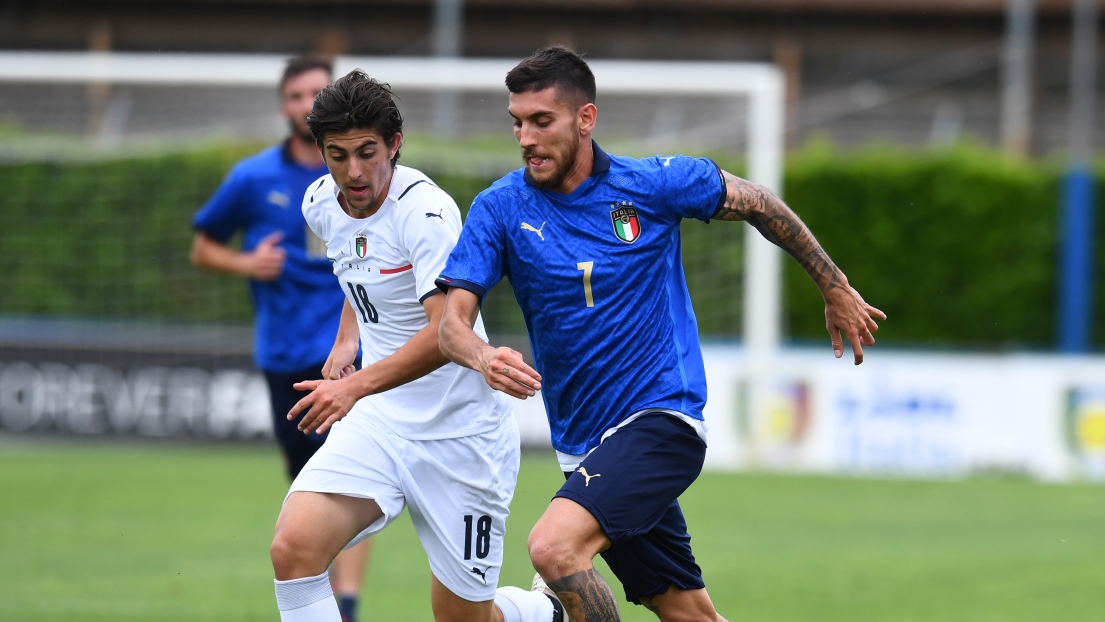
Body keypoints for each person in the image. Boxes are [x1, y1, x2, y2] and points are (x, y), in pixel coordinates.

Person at [436, 46, 887, 622]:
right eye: (517, 123)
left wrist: (834, 285)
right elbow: (451, 325)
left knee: (554, 548)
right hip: (584, 449)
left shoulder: (652, 185)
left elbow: (757, 202)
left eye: (541, 121)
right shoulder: (499, 208)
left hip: (662, 421)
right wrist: (482, 356)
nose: (525, 137)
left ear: (585, 119)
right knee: (689, 613)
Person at [267, 69, 566, 622]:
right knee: (293, 549)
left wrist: (353, 385)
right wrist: (347, 338)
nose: (353, 172)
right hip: (381, 420)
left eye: (367, 152)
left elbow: (444, 333)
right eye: (337, 155)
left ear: (395, 144)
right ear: (320, 151)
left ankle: (543, 614)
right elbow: (351, 265)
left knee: (461, 619)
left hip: (461, 434)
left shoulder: (425, 214)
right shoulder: (319, 202)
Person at [189, 55, 371, 622]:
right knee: (309, 486)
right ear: (284, 106)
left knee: (355, 478)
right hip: (282, 358)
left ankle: (346, 605)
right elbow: (202, 246)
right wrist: (246, 263)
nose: (304, 105)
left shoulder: (361, 174)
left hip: (350, 360)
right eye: (295, 96)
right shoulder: (252, 178)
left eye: (315, 94)